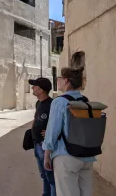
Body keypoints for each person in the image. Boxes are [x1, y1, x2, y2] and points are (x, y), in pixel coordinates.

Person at [42, 67, 95, 196]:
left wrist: (47, 155)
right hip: (87, 156)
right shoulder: (85, 101)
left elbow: (52, 132)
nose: (57, 80)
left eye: (59, 78)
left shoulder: (59, 102)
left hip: (66, 156)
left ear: (66, 81)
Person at [29, 77, 56, 196]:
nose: (32, 88)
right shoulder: (38, 103)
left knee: (51, 178)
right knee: (44, 175)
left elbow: (58, 123)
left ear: (40, 90)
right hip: (37, 144)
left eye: (34, 86)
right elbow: (36, 118)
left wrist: (50, 132)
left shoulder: (52, 105)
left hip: (46, 146)